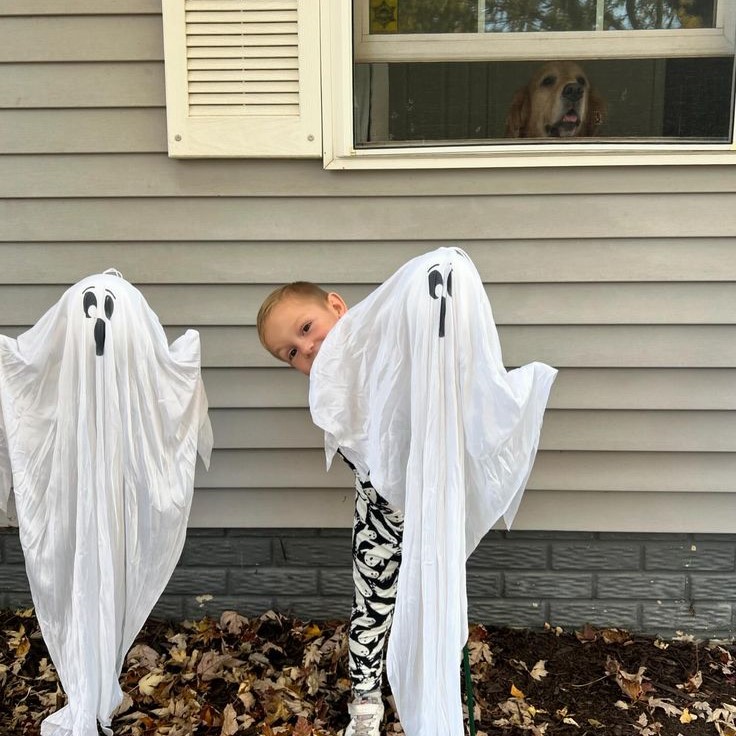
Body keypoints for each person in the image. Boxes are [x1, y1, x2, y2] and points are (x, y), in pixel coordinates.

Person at [257, 282, 399, 736]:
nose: (307, 349)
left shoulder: (387, 345)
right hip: (380, 518)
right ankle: (366, 701)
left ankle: (423, 685)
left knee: (431, 603)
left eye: (306, 328)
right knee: (371, 609)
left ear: (336, 306)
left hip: (433, 509)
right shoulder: (327, 392)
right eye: (291, 353)